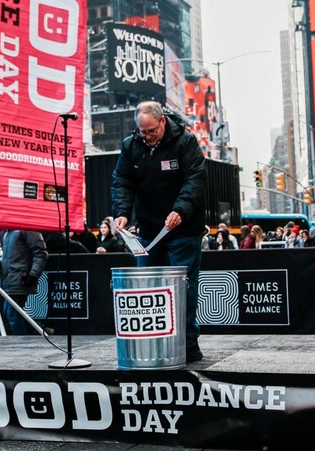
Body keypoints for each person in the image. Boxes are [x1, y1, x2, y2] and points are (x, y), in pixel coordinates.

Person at [111, 100, 207, 363]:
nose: (147, 136)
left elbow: (195, 179)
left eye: (151, 131)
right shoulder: (131, 146)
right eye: (142, 132)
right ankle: (152, 342)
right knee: (147, 288)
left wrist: (181, 209)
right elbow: (122, 181)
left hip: (183, 228)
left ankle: (188, 345)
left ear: (162, 121)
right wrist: (122, 212)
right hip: (149, 231)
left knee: (183, 289)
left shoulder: (185, 142)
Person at [0, 230, 48, 335]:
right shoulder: (10, 233)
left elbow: (41, 254)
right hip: (15, 278)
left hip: (19, 278)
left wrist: (33, 275)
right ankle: (34, 332)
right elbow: (11, 259)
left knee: (11, 312)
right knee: (12, 312)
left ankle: (25, 337)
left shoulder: (22, 230)